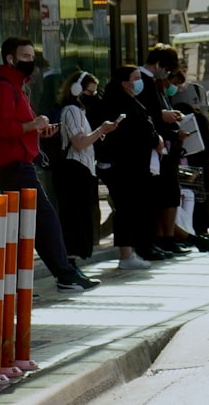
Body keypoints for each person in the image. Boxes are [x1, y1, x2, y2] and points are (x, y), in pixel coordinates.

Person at [0, 37, 98, 292]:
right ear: (10, 59)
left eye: (32, 57)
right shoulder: (4, 88)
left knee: (27, 225)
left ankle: (22, 282)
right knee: (43, 219)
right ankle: (63, 273)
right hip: (13, 165)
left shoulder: (17, 87)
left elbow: (16, 128)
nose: (31, 62)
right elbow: (2, 128)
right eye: (25, 57)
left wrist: (37, 131)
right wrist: (33, 126)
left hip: (19, 162)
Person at [97, 65, 162, 269]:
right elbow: (132, 132)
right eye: (135, 78)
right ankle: (126, 254)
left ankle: (131, 251)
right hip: (124, 165)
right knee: (125, 207)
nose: (139, 82)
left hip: (134, 164)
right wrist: (153, 139)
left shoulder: (131, 101)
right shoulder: (117, 103)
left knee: (131, 207)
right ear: (124, 82)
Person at [52, 71, 119, 270]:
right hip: (74, 170)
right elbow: (79, 143)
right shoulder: (71, 110)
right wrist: (100, 131)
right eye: (89, 92)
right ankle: (70, 263)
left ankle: (73, 262)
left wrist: (99, 134)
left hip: (83, 169)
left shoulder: (79, 110)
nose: (92, 96)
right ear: (76, 89)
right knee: (74, 218)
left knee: (81, 217)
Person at [135, 43, 187, 256]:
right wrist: (162, 117)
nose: (166, 75)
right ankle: (155, 241)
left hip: (161, 146)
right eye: (166, 70)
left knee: (165, 195)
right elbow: (144, 115)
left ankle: (162, 240)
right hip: (150, 148)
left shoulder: (153, 83)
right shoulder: (141, 82)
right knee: (154, 197)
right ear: (158, 65)